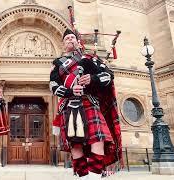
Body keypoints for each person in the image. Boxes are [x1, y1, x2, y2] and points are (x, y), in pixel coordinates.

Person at [50, 29, 122, 179]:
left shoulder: (90, 58)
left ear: (77, 41)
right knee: (75, 145)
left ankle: (94, 177)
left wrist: (92, 78)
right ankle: (83, 177)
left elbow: (109, 75)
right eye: (67, 38)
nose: (70, 39)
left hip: (89, 101)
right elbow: (53, 86)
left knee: (98, 140)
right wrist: (70, 91)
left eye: (72, 37)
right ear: (63, 44)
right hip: (69, 105)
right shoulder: (58, 64)